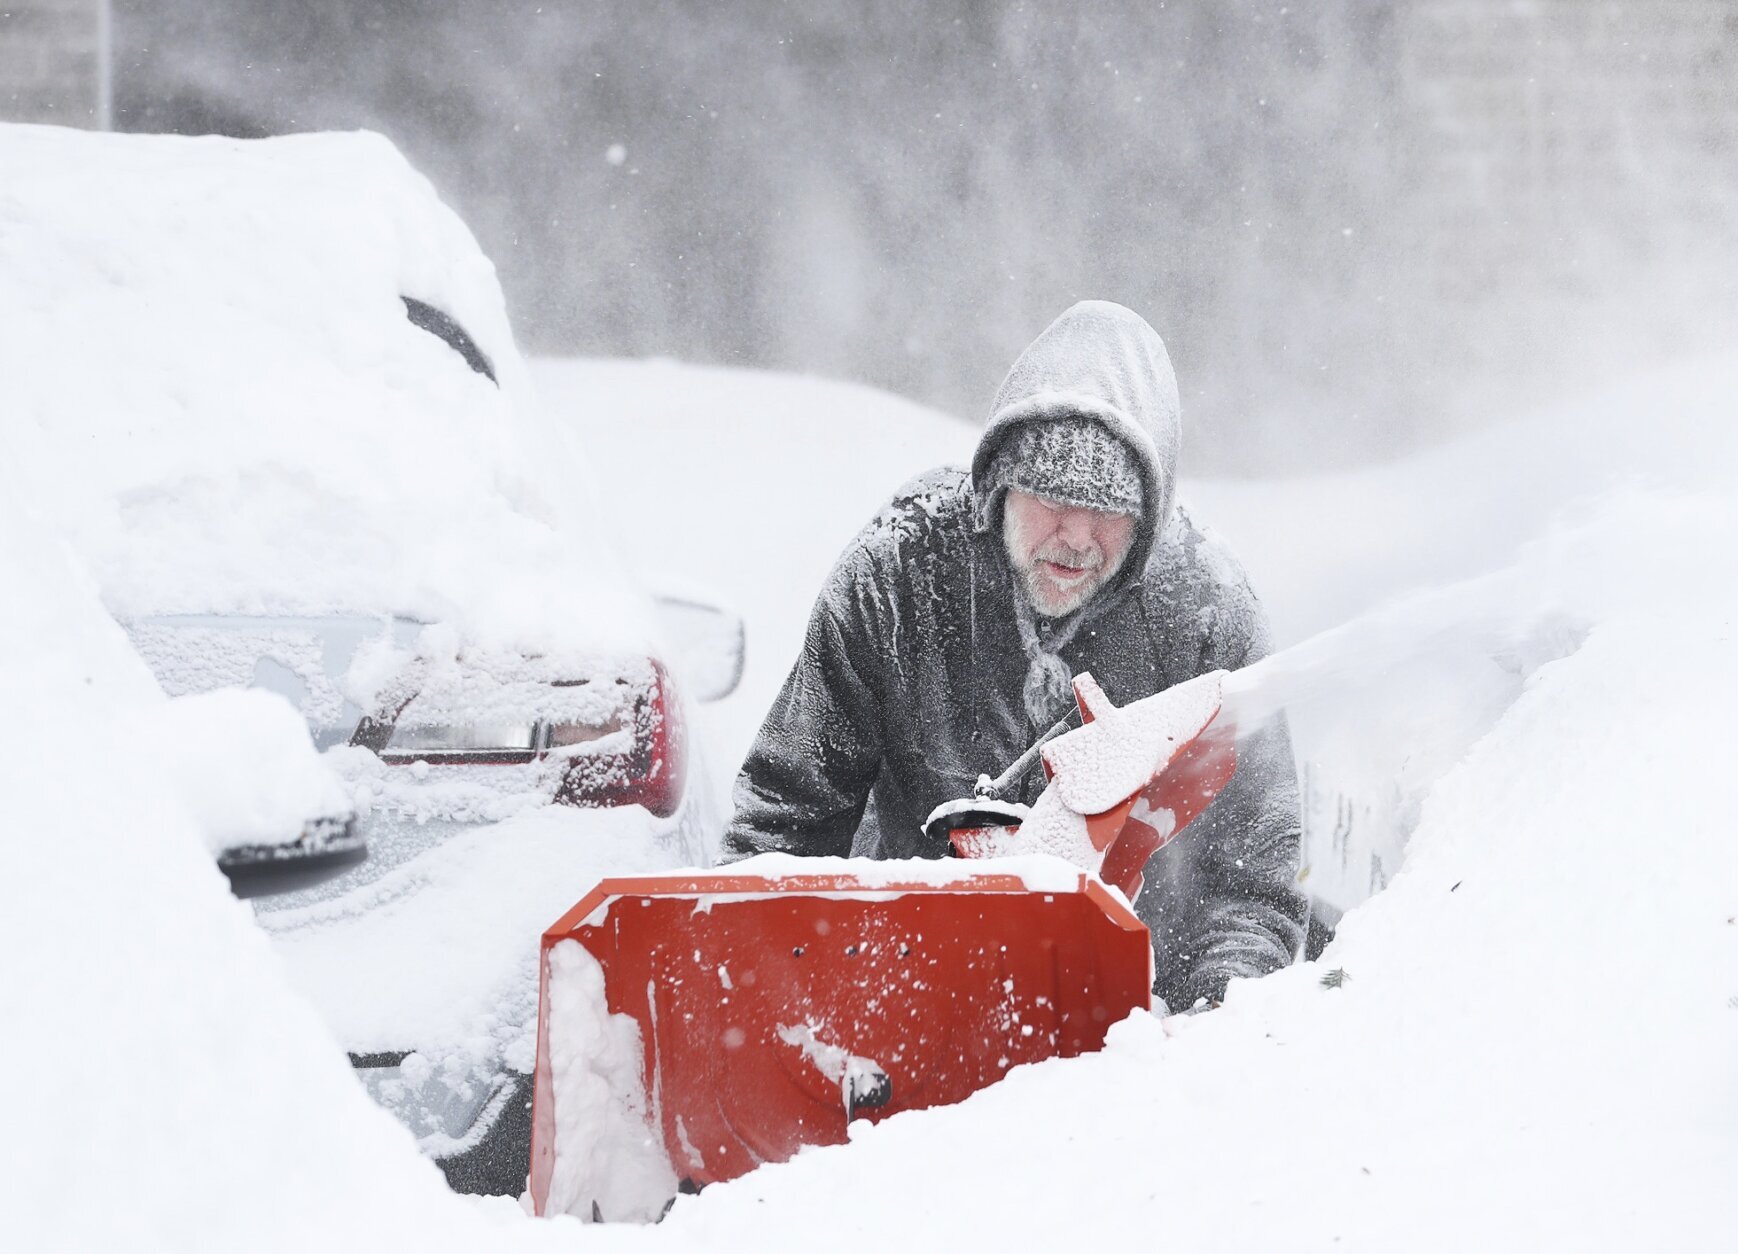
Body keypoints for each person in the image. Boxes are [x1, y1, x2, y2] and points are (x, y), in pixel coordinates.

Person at [724, 300, 1305, 1011]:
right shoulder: (896, 580)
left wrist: (1202, 1027)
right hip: (903, 992)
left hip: (1128, 1025)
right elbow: (786, 819)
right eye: (1052, 498)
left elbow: (1253, 888)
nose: (1078, 535)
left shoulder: (1207, 619)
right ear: (999, 485)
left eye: (1111, 509)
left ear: (1151, 515)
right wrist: (771, 1004)